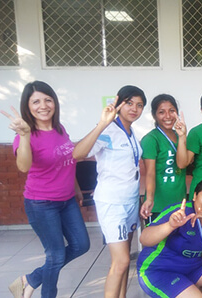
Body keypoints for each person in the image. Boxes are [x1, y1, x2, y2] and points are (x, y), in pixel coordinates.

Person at [2, 81, 90, 298]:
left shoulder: (60, 129)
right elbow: (23, 166)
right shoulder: (25, 135)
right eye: (36, 101)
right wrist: (23, 135)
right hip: (41, 204)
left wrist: (77, 188)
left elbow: (69, 160)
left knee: (81, 245)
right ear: (28, 106)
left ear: (54, 102)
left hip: (67, 200)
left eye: (47, 99)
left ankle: (30, 279)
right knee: (55, 256)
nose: (43, 105)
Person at [72, 85, 146, 298]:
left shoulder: (131, 132)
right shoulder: (107, 130)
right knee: (121, 261)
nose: (134, 108)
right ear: (119, 104)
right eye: (129, 103)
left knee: (122, 262)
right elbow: (78, 153)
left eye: (139, 105)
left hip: (131, 201)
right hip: (112, 203)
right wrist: (102, 123)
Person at [139, 94, 187, 223]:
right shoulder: (151, 139)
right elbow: (150, 173)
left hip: (179, 202)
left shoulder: (180, 135)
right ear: (154, 115)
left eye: (172, 111)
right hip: (158, 204)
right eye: (161, 112)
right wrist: (149, 199)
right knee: (158, 242)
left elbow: (183, 164)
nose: (167, 116)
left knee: (178, 242)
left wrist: (183, 137)